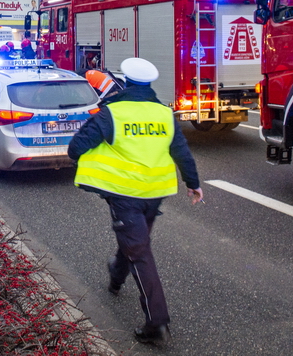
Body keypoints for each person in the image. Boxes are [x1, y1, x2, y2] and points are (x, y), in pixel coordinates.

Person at [67, 57, 204, 345]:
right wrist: (193, 185)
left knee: (139, 252)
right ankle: (117, 275)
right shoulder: (164, 114)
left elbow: (76, 147)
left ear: (125, 83)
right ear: (150, 84)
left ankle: (156, 323)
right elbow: (181, 151)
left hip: (125, 195)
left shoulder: (113, 113)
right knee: (135, 242)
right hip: (155, 194)